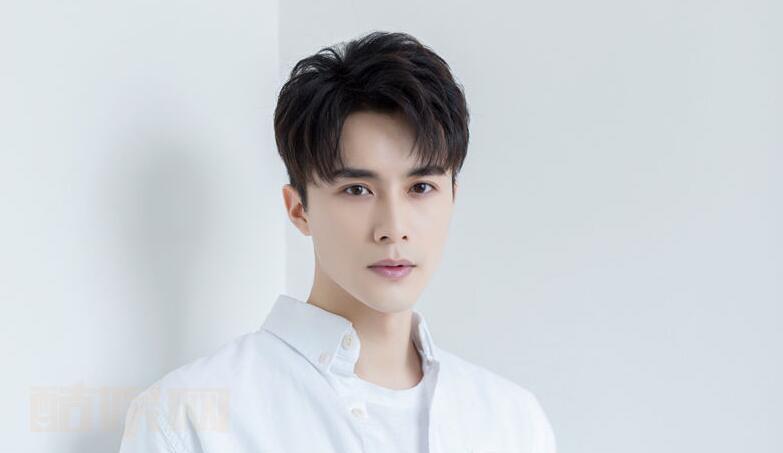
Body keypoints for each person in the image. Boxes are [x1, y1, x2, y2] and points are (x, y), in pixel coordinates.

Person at [118, 30, 556, 453]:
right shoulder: (186, 421)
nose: (393, 227)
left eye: (420, 187)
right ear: (299, 209)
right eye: (357, 190)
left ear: (453, 197)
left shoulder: (512, 423)